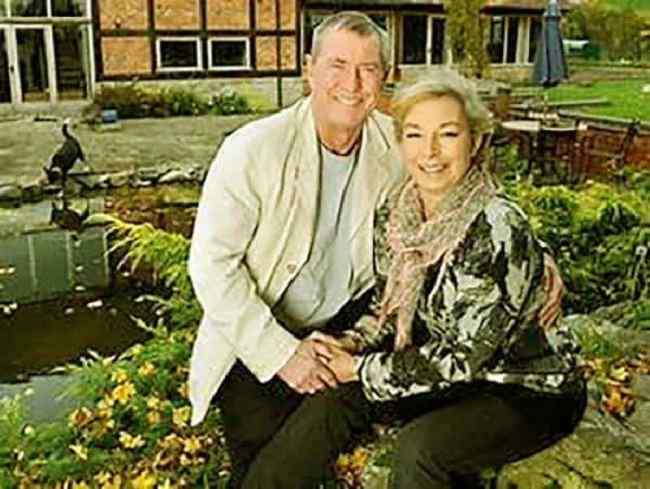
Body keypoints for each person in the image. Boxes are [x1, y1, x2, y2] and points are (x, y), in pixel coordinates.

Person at [188, 11, 564, 489]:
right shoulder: (251, 150)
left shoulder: (398, 139)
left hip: (349, 324)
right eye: (337, 65)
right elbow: (210, 266)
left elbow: (470, 193)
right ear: (309, 69)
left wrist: (535, 256)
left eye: (368, 68)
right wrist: (282, 355)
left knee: (329, 425)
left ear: (385, 77)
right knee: (263, 447)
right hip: (260, 328)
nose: (352, 82)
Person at [318, 70, 587, 489]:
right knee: (335, 398)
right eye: (414, 134)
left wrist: (358, 367)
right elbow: (386, 309)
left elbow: (462, 358)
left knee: (419, 452)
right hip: (459, 375)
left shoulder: (495, 226)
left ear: (475, 141)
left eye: (447, 134)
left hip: (527, 388)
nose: (430, 152)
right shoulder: (398, 215)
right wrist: (347, 345)